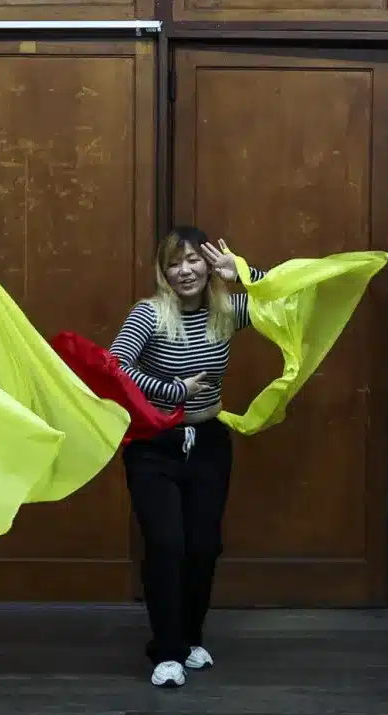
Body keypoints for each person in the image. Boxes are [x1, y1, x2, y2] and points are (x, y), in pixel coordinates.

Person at [109, 227, 262, 689]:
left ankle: (191, 638)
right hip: (154, 445)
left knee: (203, 546)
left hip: (210, 441)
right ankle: (168, 650)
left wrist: (247, 275)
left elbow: (291, 302)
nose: (185, 270)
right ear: (164, 271)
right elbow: (114, 365)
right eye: (175, 263)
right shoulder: (150, 314)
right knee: (166, 545)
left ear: (209, 264)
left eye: (194, 260)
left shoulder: (229, 310)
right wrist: (173, 391)